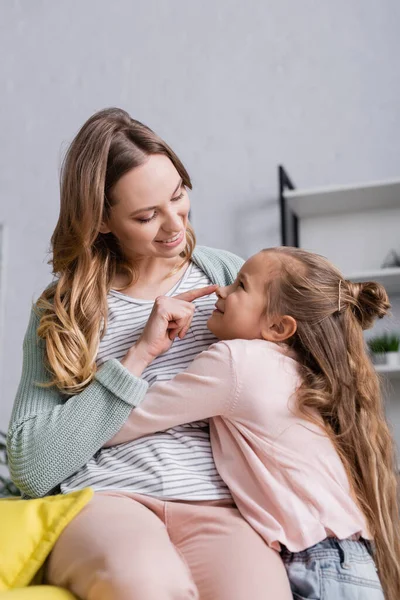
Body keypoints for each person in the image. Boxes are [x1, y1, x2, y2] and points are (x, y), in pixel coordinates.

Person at [7, 108, 291, 600]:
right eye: (145, 216)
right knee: (149, 587)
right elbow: (32, 466)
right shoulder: (64, 309)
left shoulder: (227, 275)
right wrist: (139, 354)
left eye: (178, 195)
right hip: (106, 500)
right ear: (100, 220)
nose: (173, 225)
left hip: (216, 502)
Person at [92, 247, 400, 600]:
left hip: (317, 565)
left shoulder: (236, 362)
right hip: (347, 561)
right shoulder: (292, 366)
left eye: (240, 286)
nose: (221, 290)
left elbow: (118, 423)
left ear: (278, 327)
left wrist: (139, 352)